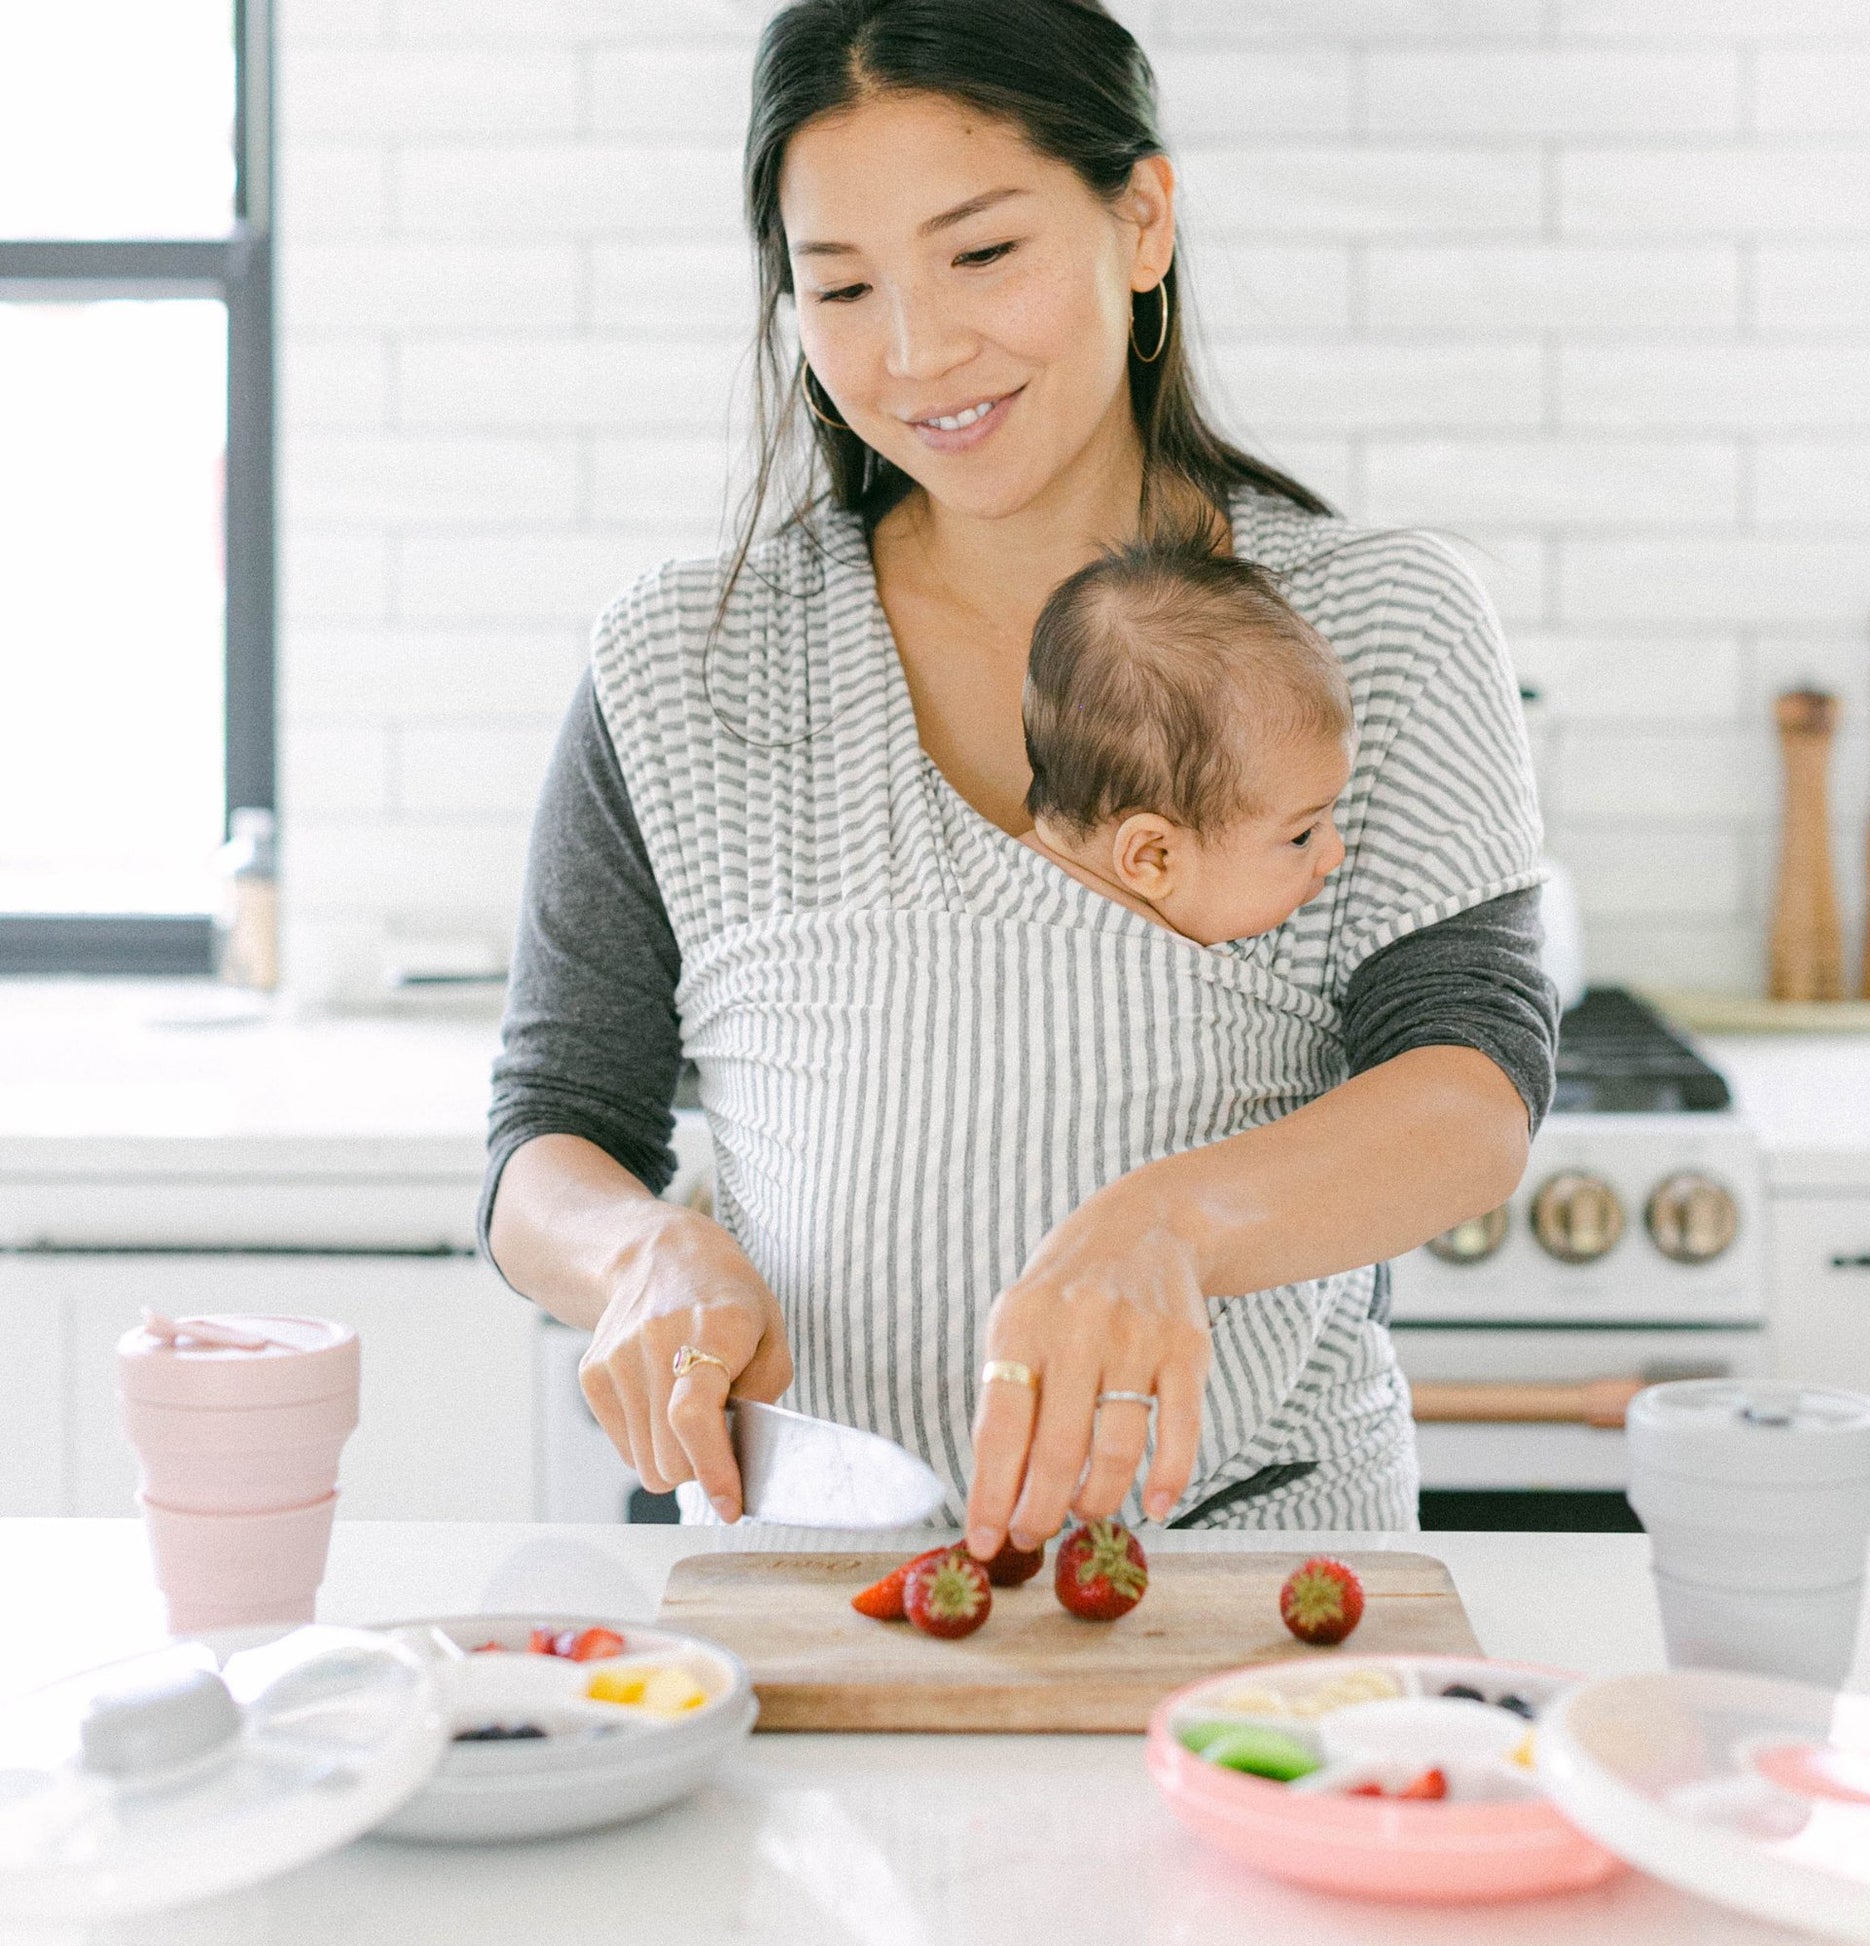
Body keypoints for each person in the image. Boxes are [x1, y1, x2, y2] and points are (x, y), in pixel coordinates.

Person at [483, 0, 1557, 1555]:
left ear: (1141, 219)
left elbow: (1471, 1093)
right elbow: (548, 1131)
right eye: (839, 286)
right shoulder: (681, 660)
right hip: (806, 1557)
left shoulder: (1377, 624)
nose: (916, 352)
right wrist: (635, 1250)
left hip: (1250, 1568)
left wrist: (1168, 1222)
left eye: (980, 255)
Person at [1017, 537, 1354, 948]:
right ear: (1153, 857)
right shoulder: (1171, 999)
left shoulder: (958, 884)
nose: (1336, 853)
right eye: (1302, 834)